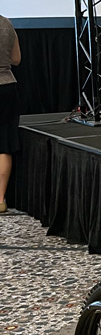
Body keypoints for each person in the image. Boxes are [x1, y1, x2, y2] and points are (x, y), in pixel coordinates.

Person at [0, 14, 21, 215]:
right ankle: (0, 200)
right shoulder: (7, 23)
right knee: (3, 144)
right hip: (7, 87)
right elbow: (16, 59)